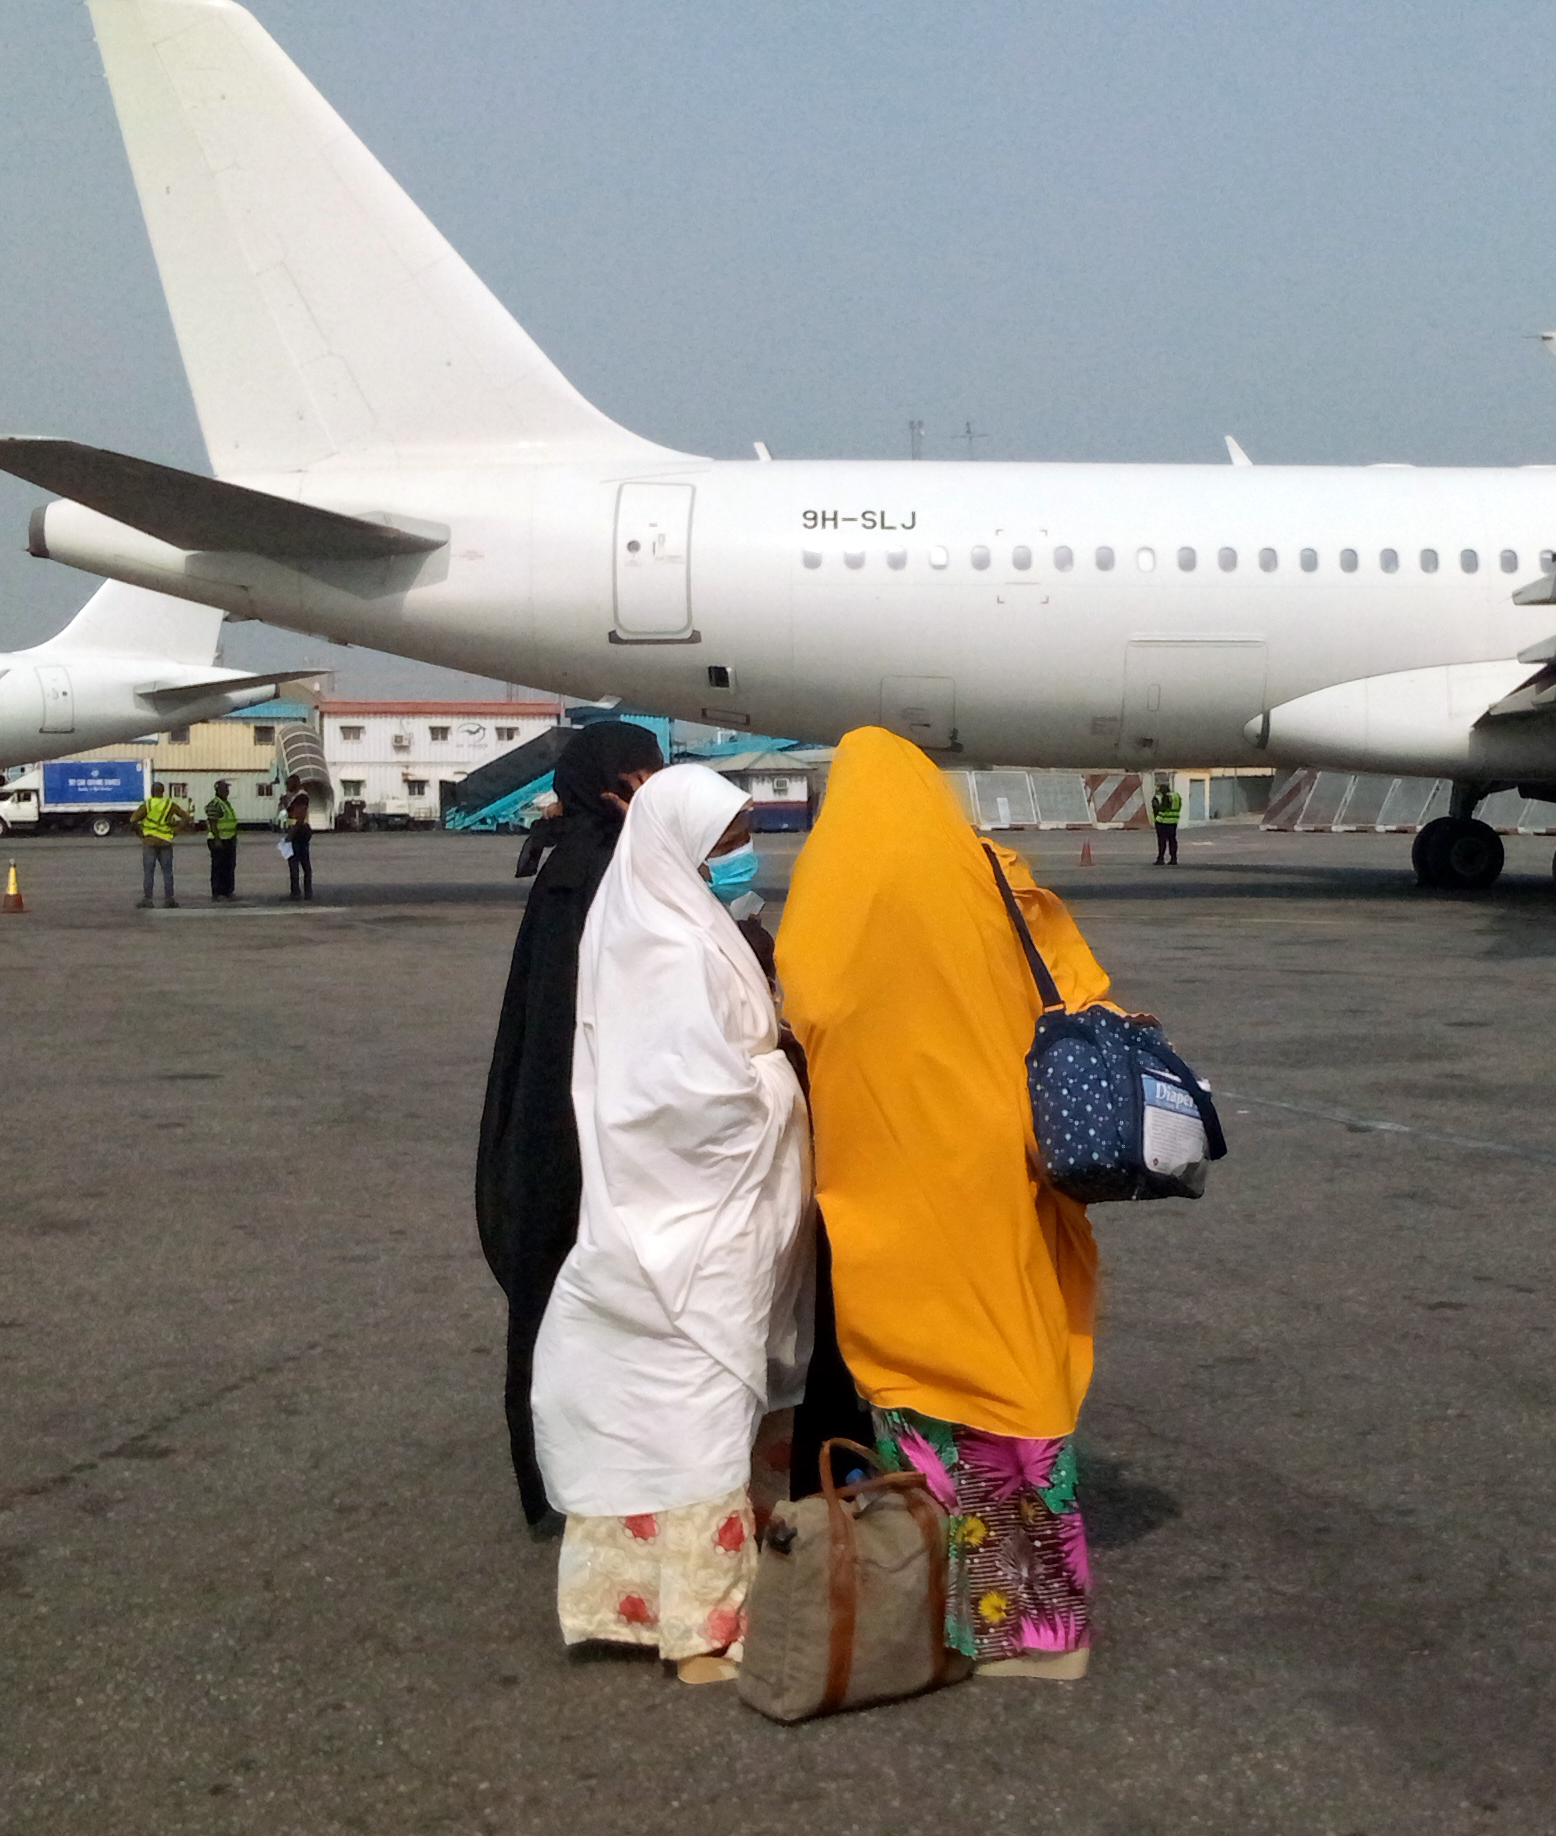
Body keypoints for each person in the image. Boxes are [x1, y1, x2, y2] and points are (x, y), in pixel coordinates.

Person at [778, 726, 1118, 1680]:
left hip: (892, 1172)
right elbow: (1082, 988)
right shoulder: (994, 871)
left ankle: (953, 1610)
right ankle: (1045, 1631)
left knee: (921, 1369)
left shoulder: (835, 890)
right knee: (1013, 1357)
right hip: (1003, 1162)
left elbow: (809, 1005)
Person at [532, 762, 814, 1683]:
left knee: (716, 1392)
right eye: (725, 843)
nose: (741, 857)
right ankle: (696, 1624)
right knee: (695, 1402)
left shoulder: (688, 924)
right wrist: (772, 1079)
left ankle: (686, 1600)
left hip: (722, 1208)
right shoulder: (660, 942)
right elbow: (678, 1096)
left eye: (743, 838)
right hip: (684, 1212)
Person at [477, 721, 668, 1530]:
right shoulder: (600, 871)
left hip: (571, 1113)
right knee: (581, 1292)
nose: (653, 787)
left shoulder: (583, 861)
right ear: (608, 784)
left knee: (571, 1295)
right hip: (586, 1119)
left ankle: (575, 1468)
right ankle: (580, 1474)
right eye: (641, 774)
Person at [134, 787, 190, 908]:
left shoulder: (148, 804)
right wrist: (176, 830)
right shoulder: (170, 804)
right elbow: (185, 817)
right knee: (167, 872)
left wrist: (140, 834)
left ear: (152, 791)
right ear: (163, 791)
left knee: (149, 872)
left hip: (150, 842)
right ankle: (169, 899)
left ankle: (147, 899)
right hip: (165, 842)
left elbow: (133, 820)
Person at [204, 780, 241, 902]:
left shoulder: (226, 803)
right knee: (218, 867)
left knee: (229, 866)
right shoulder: (215, 804)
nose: (227, 791)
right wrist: (217, 839)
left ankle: (228, 891)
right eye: (224, 789)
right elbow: (213, 823)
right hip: (219, 840)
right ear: (218, 790)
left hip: (229, 839)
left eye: (227, 789)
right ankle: (217, 892)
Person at [279, 785, 316, 902]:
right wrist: (285, 804)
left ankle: (298, 893)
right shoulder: (295, 798)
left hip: (299, 833)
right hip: (299, 833)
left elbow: (299, 818)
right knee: (301, 865)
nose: (286, 787)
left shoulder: (301, 797)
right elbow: (291, 814)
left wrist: (290, 835)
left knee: (297, 865)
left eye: (288, 784)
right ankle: (304, 892)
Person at [1149, 775, 1182, 866]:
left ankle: (1161, 859)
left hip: (1162, 822)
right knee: (1172, 840)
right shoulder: (1176, 796)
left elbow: (1162, 808)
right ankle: (1174, 859)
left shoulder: (1163, 797)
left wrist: (1157, 813)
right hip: (1173, 821)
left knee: (1162, 841)